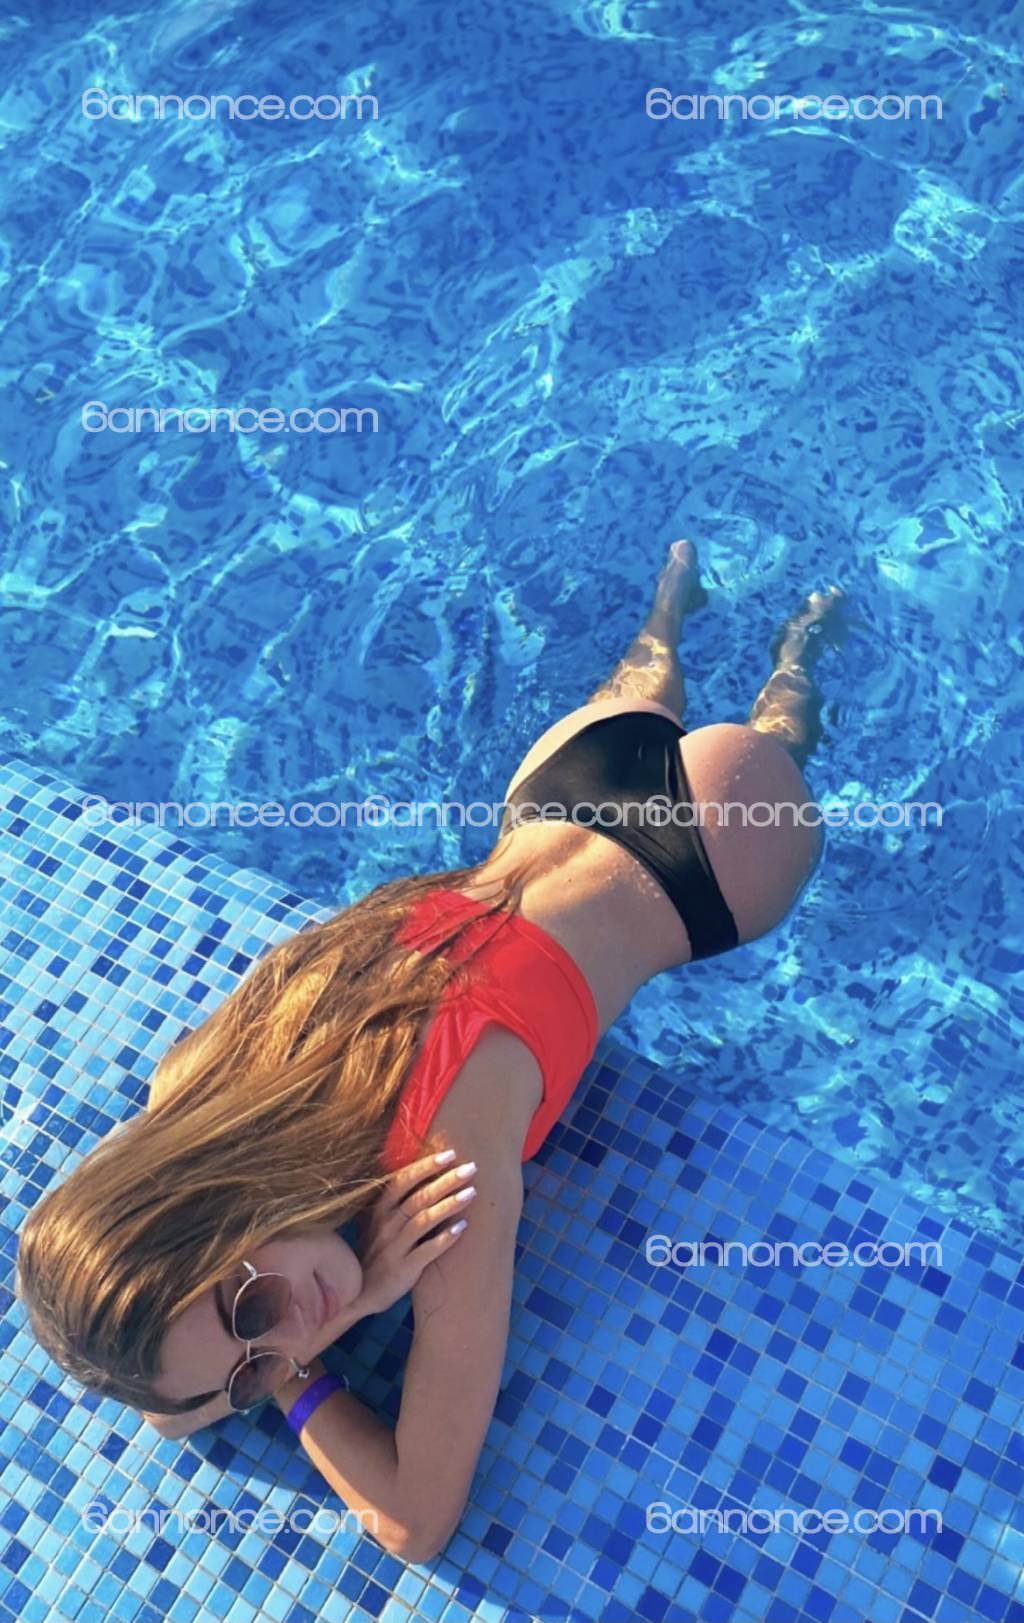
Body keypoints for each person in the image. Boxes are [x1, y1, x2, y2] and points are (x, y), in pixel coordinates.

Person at [15, 540, 843, 1563]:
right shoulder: (202, 1081)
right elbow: (166, 1403)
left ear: (208, 1209)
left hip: (710, 852)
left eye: (254, 1308)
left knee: (786, 732)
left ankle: (804, 647)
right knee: (652, 672)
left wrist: (298, 1380)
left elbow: (415, 1521)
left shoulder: (444, 1178)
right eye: (253, 1366)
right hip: (562, 781)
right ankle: (694, 601)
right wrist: (278, 1336)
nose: (294, 1331)